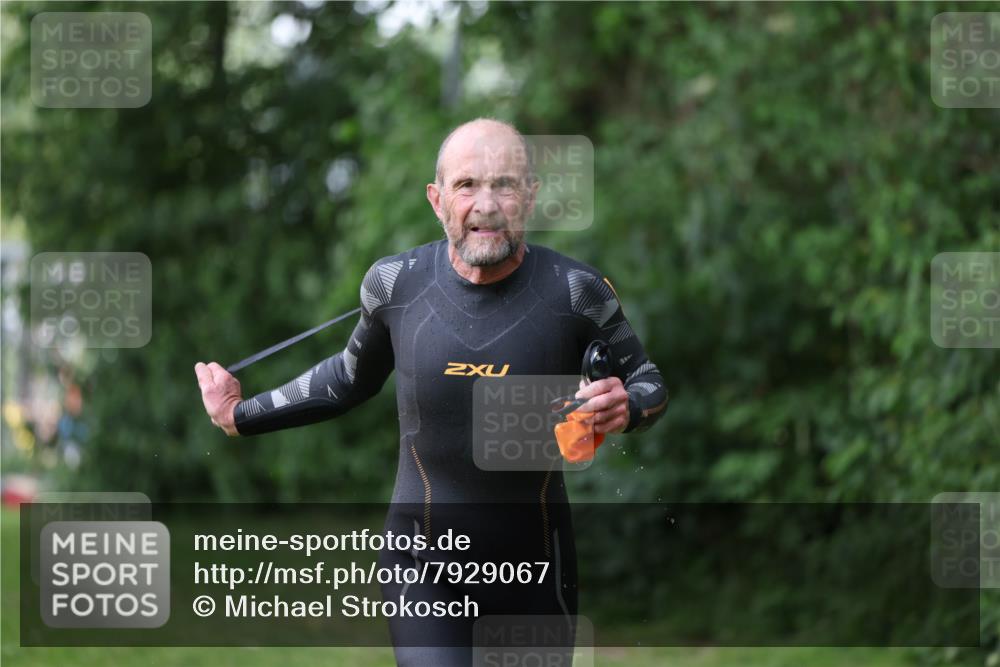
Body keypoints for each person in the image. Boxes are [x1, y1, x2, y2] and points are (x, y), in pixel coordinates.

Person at [195, 118, 668, 665]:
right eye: (467, 185)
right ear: (436, 199)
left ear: (531, 197)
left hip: (536, 570)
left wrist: (627, 407)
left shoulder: (576, 292)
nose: (486, 204)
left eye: (504, 185)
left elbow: (649, 382)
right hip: (422, 565)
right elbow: (347, 379)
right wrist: (240, 413)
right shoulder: (395, 284)